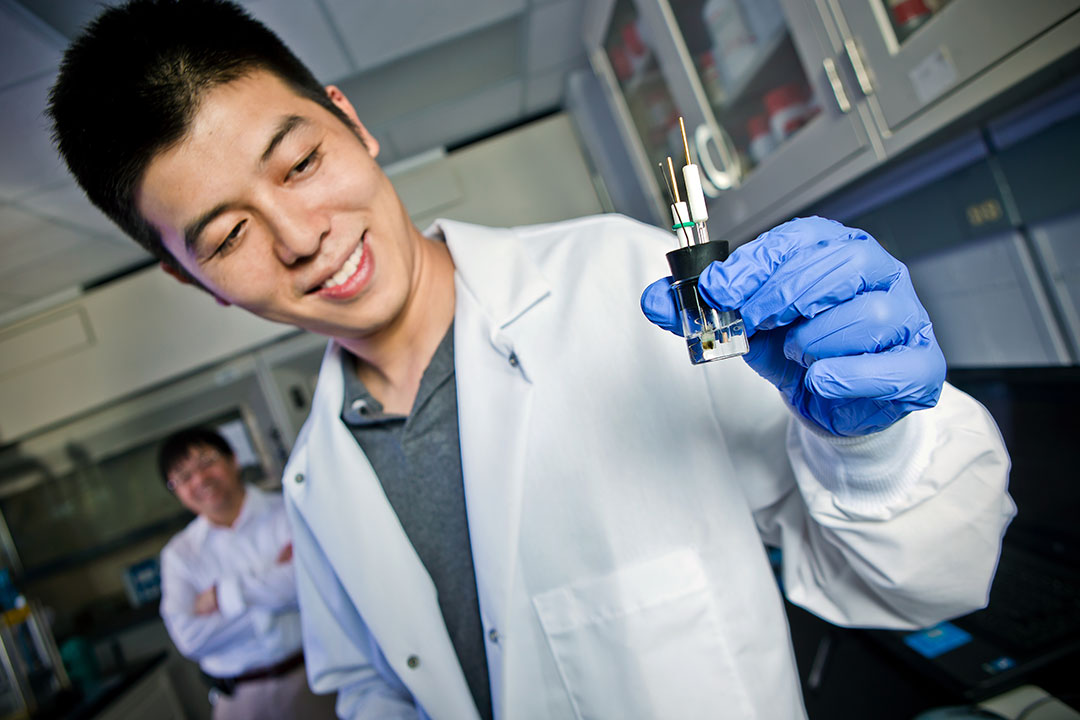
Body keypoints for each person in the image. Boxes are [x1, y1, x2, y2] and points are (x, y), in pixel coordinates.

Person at [49, 2, 1014, 718]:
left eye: (300, 162)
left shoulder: (620, 283)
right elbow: (374, 694)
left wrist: (875, 448)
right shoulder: (314, 483)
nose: (301, 235)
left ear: (351, 120)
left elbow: (931, 583)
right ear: (195, 282)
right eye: (226, 237)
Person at [157, 427, 336, 719]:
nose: (200, 479)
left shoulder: (290, 509)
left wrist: (223, 596)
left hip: (316, 678)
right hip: (239, 700)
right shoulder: (178, 555)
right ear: (176, 490)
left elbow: (317, 583)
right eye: (184, 476)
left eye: (207, 463)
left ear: (234, 459)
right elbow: (191, 639)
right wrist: (277, 590)